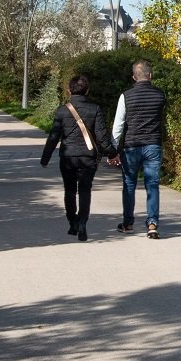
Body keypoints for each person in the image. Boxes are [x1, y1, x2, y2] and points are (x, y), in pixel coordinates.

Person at [41, 74, 116, 241]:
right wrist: (112, 153)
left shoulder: (61, 111)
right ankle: (83, 222)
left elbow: (54, 136)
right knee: (84, 190)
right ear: (87, 90)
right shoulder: (95, 109)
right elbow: (102, 137)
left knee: (69, 190)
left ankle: (72, 221)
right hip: (88, 158)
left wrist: (45, 158)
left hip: (67, 157)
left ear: (69, 90)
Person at [111, 59, 168, 240]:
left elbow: (118, 125)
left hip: (131, 146)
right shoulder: (161, 95)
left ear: (133, 77)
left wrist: (113, 149)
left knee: (129, 185)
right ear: (150, 76)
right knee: (152, 185)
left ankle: (128, 223)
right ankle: (152, 224)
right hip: (153, 145)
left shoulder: (125, 96)